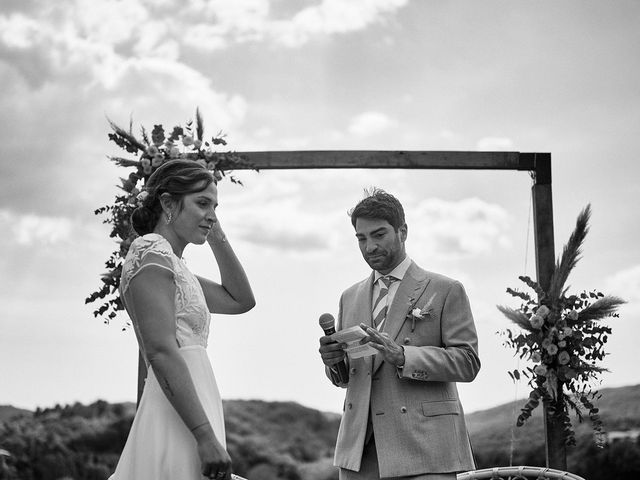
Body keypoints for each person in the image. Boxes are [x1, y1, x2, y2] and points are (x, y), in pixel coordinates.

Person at [319, 189, 480, 480]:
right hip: (360, 452)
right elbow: (348, 377)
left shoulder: (445, 289)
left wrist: (404, 356)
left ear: (402, 231)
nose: (370, 247)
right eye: (362, 238)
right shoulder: (349, 297)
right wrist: (334, 364)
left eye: (379, 235)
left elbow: (468, 362)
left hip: (425, 447)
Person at [109, 160, 255, 480]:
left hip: (197, 402)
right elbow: (160, 350)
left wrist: (215, 231)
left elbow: (241, 300)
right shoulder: (150, 250)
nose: (211, 214)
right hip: (180, 415)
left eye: (215, 206)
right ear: (167, 203)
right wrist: (204, 435)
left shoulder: (175, 266)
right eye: (202, 203)